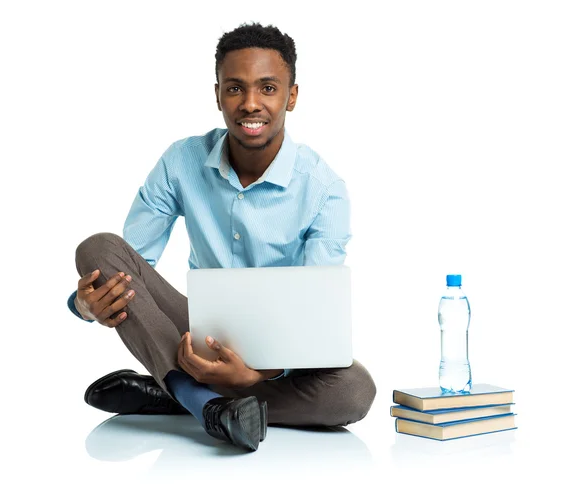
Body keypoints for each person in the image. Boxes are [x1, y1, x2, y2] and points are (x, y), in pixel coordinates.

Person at [68, 22, 376, 452]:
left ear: (292, 96)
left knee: (355, 390)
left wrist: (258, 376)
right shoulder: (181, 160)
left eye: (268, 88)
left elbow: (314, 316)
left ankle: (183, 395)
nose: (251, 104)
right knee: (97, 249)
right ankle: (208, 404)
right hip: (197, 332)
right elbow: (129, 266)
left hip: (283, 355)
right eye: (235, 88)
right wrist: (85, 305)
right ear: (217, 95)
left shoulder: (324, 188)